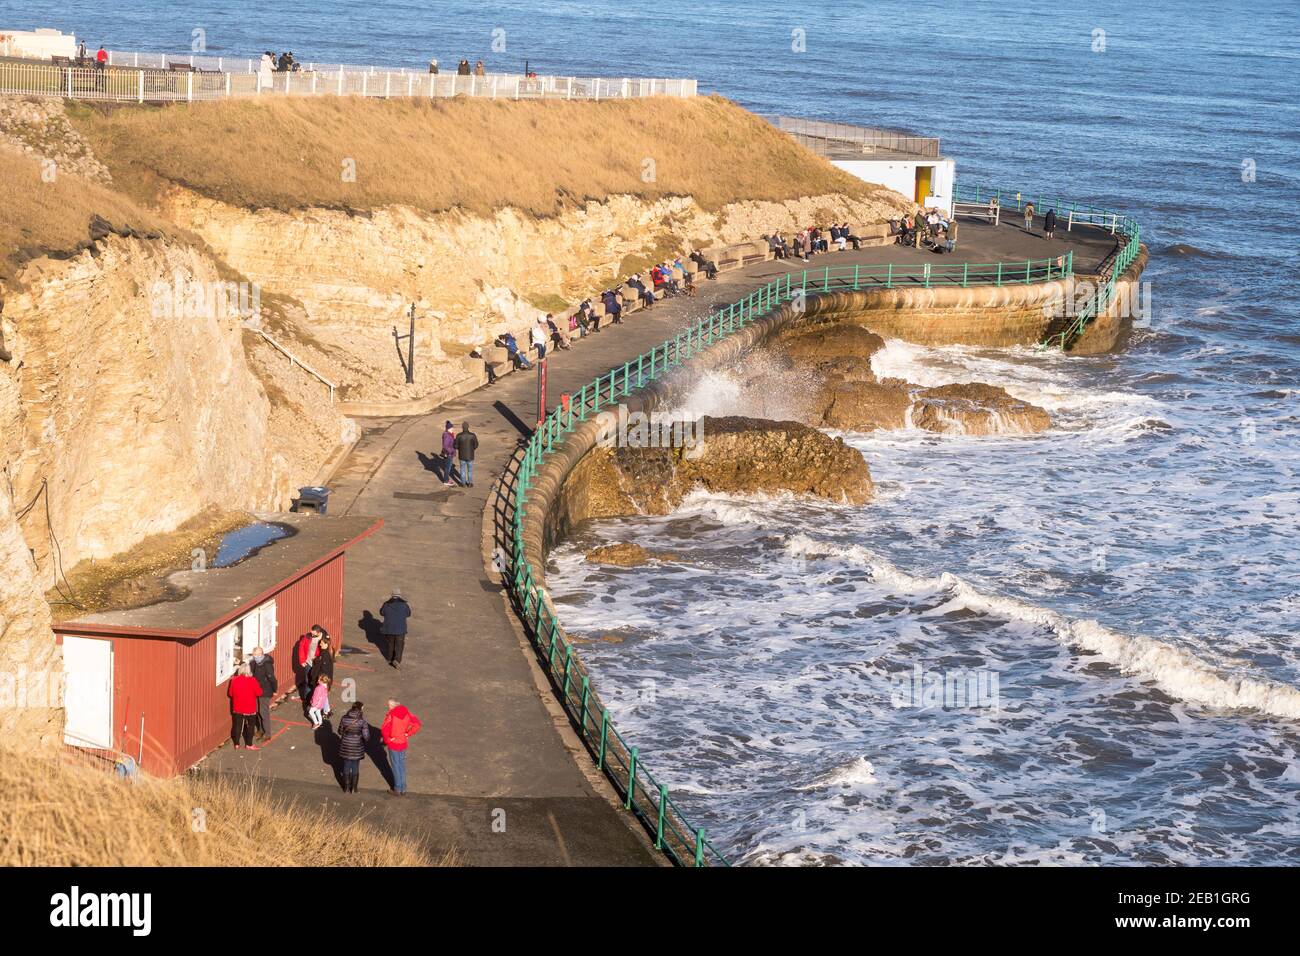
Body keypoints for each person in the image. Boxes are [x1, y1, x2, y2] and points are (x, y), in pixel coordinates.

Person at [382, 699, 422, 796]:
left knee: (395, 766)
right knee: (402, 766)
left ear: (393, 705)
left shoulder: (391, 715)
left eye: (389, 705)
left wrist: (387, 739)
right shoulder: (407, 713)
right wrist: (408, 733)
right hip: (403, 743)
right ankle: (403, 788)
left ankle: (397, 789)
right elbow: (417, 724)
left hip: (394, 744)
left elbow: (384, 729)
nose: (388, 707)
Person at [228, 663, 262, 750]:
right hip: (250, 708)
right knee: (250, 726)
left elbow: (230, 693)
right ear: (249, 671)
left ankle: (236, 743)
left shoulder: (234, 680)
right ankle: (249, 744)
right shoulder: (252, 680)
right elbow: (259, 693)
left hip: (238, 707)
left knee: (237, 725)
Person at [337, 702, 369, 793]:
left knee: (346, 765)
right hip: (357, 747)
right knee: (355, 766)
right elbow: (366, 736)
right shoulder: (362, 721)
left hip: (346, 745)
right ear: (360, 709)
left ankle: (346, 787)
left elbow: (340, 731)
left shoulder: (344, 718)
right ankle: (354, 788)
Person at [249, 646, 277, 739]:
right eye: (254, 655)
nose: (254, 656)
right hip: (255, 690)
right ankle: (260, 730)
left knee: (263, 712)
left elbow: (272, 678)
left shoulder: (267, 664)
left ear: (261, 654)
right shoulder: (253, 663)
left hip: (265, 691)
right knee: (257, 711)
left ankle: (267, 733)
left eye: (256, 655)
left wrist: (275, 689)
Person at [379, 589, 411, 667]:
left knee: (391, 644)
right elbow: (408, 614)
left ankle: (390, 659)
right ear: (400, 595)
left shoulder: (386, 604)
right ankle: (397, 660)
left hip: (389, 628)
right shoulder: (404, 604)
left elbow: (381, 612)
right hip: (400, 629)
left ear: (392, 595)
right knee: (399, 645)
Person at [294, 630, 316, 700]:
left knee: (316, 681)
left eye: (314, 634)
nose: (313, 635)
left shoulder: (320, 638)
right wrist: (302, 661)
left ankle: (315, 696)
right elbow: (301, 650)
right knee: (308, 681)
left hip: (317, 664)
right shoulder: (306, 638)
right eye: (312, 634)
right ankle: (307, 698)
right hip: (308, 663)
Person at [455, 422, 478, 488]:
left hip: (462, 456)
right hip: (470, 456)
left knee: (462, 470)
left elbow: (456, 446)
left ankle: (463, 483)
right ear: (468, 427)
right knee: (470, 470)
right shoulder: (472, 435)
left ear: (462, 427)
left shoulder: (459, 435)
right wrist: (472, 449)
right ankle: (470, 483)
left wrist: (459, 448)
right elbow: (476, 445)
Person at [441, 420, 458, 485]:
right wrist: (451, 451)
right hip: (449, 454)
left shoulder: (449, 434)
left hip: (449, 453)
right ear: (448, 428)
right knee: (448, 467)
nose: (453, 429)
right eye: (451, 428)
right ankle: (446, 481)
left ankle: (446, 480)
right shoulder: (447, 435)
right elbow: (445, 446)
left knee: (448, 467)